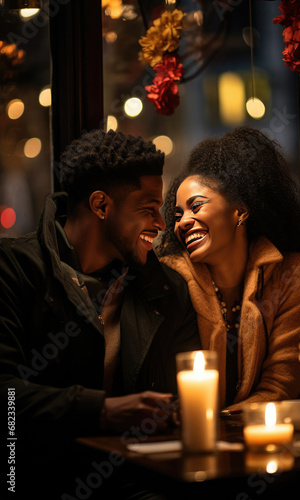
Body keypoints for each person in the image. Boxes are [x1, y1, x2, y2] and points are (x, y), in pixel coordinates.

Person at [0, 129, 201, 499]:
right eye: (147, 207)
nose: (160, 224)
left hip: (138, 484)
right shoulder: (13, 269)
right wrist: (102, 410)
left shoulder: (166, 289)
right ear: (101, 205)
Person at [157, 126, 300, 410]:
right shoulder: (168, 277)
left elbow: (280, 386)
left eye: (196, 205)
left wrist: (225, 423)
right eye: (178, 213)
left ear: (241, 210)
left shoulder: (293, 275)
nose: (182, 222)